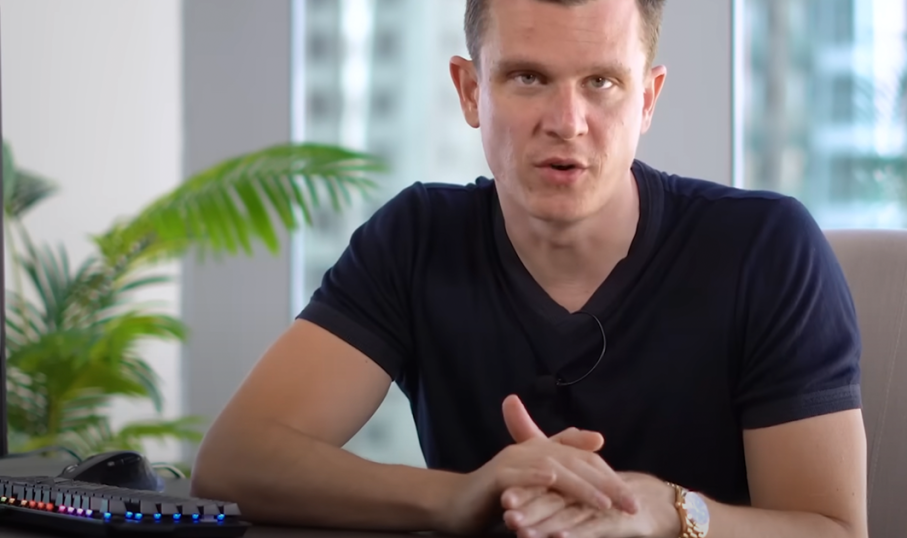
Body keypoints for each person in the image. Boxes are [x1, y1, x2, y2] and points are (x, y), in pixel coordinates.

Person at [191, 0, 869, 537]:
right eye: (528, 78)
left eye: (601, 82)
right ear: (469, 91)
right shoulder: (418, 238)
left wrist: (669, 512)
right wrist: (460, 496)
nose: (567, 122)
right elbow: (235, 461)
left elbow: (833, 529)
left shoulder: (765, 248)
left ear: (647, 99)